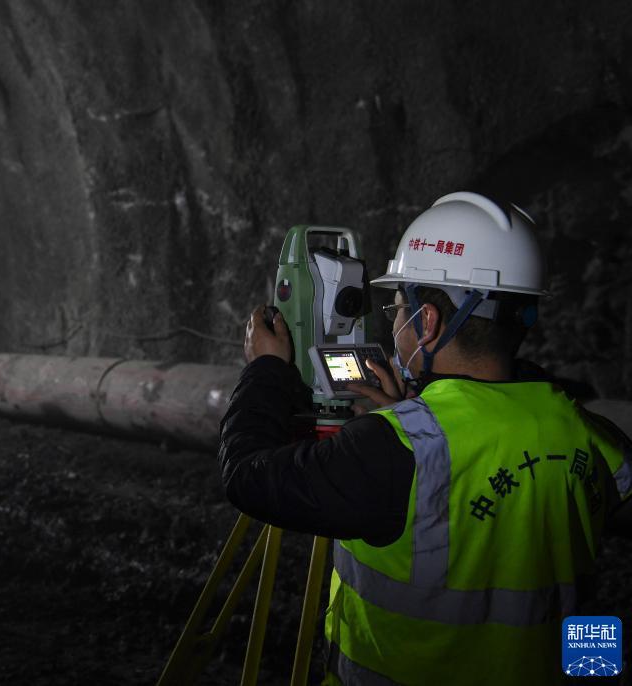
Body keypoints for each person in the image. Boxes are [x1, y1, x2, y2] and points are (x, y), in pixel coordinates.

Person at [219, 192, 632, 684]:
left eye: (397, 308)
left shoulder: (391, 451)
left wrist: (266, 369)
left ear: (428, 322)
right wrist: (410, 416)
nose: (394, 323)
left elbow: (247, 476)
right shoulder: (587, 432)